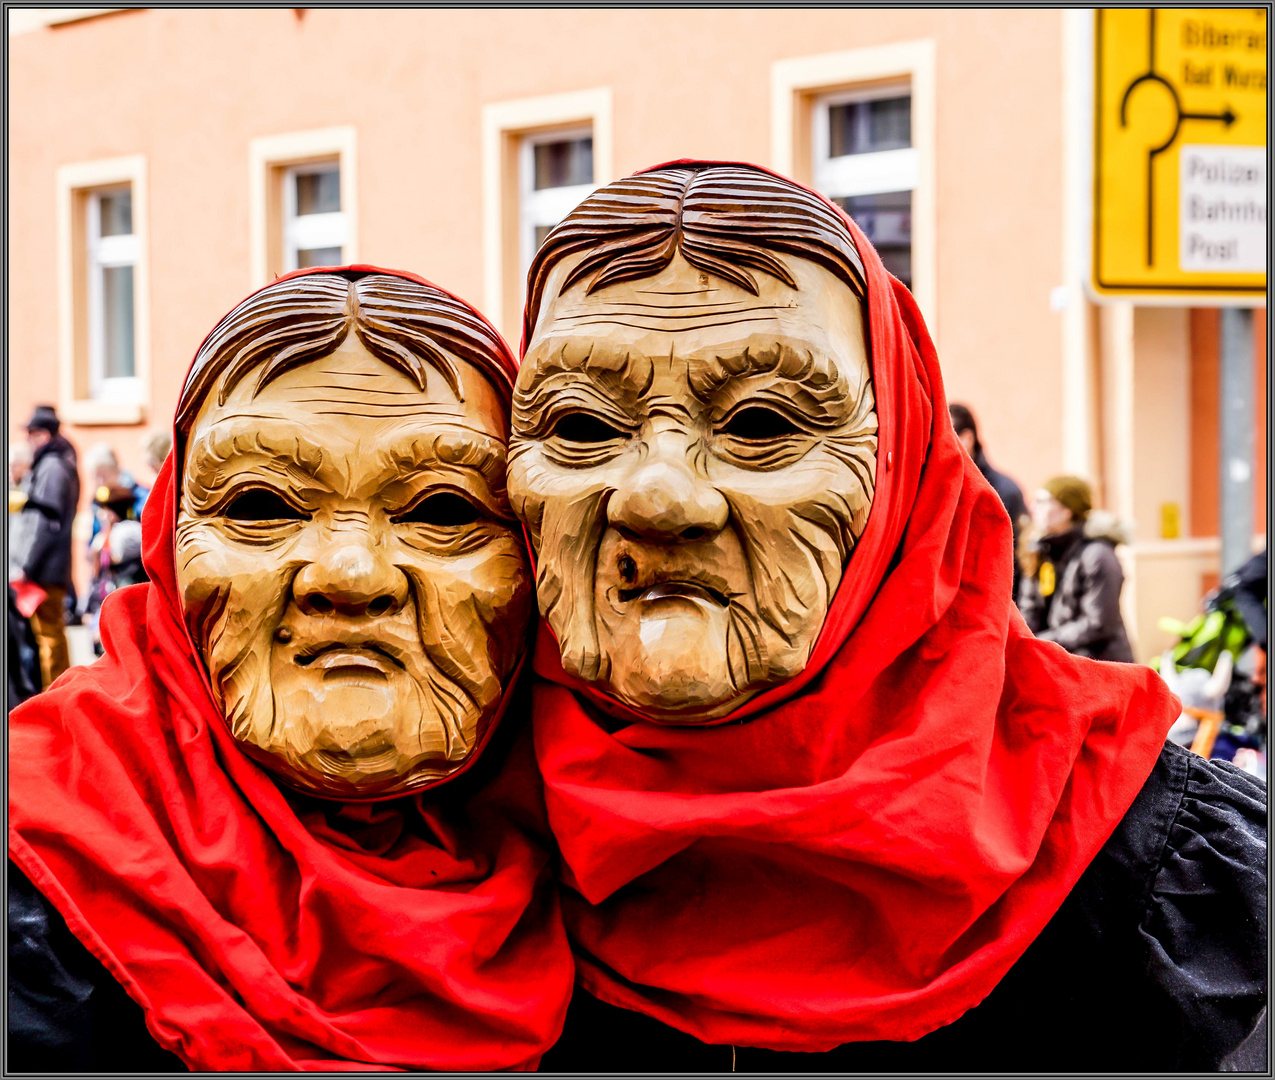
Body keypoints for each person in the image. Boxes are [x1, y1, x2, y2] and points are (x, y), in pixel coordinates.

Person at [507, 162, 1265, 1071]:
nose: (659, 498)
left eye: (760, 422)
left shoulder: (1180, 887)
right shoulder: (440, 863)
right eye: (583, 426)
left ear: (906, 472)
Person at [9, 267, 571, 1071]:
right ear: (173, 548)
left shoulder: (618, 867)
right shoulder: (34, 864)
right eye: (260, 506)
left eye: (440, 509)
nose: (349, 573)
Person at [1017, 475, 1135, 663]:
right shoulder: (1040, 550)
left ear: (1066, 510)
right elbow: (1029, 609)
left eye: (1043, 502)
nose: (1033, 508)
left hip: (1099, 666)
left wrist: (1041, 642)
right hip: (1059, 662)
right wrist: (1020, 641)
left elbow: (1098, 624)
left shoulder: (1098, 555)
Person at [15, 405, 80, 689]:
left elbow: (43, 523)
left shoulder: (53, 466)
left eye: (31, 433)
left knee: (49, 637)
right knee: (49, 635)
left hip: (44, 568)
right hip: (47, 565)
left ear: (42, 434)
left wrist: (25, 565)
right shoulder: (55, 462)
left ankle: (56, 695)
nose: (28, 439)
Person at [949, 402, 1028, 596]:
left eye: (946, 436)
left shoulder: (1004, 492)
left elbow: (1017, 562)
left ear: (967, 438)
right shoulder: (937, 485)